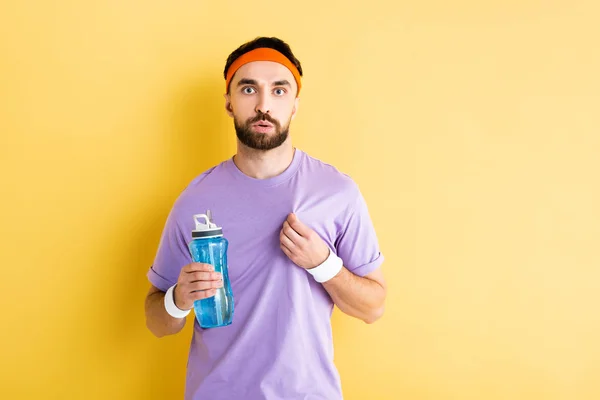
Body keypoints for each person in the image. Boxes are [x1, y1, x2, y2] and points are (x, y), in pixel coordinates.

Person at [144, 36, 387, 400]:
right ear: (229, 102)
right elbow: (156, 321)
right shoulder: (194, 201)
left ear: (294, 105)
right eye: (248, 89)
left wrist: (323, 265)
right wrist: (178, 298)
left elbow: (373, 307)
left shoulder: (336, 193)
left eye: (278, 90)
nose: (262, 105)